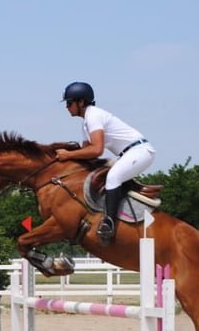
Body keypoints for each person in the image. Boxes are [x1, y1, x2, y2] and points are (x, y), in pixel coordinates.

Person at [55, 81, 155, 245]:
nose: (67, 107)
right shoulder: (86, 122)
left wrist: (68, 155)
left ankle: (109, 222)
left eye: (69, 102)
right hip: (129, 154)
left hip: (140, 151)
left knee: (113, 177)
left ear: (81, 102)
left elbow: (96, 150)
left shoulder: (94, 115)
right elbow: (86, 154)